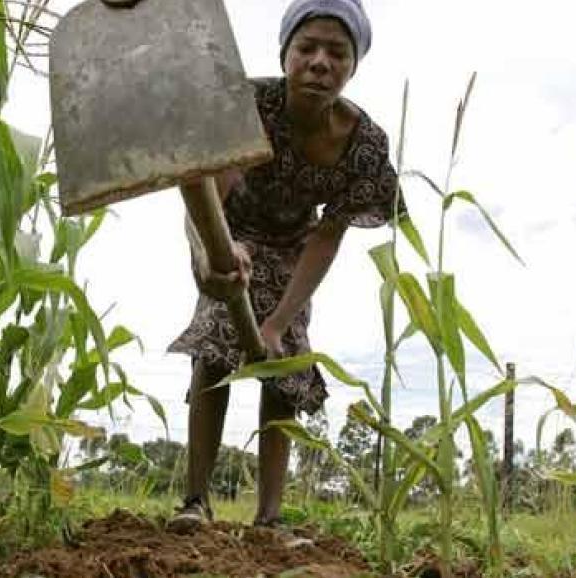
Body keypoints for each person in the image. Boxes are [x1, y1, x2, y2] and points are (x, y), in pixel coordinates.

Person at [164, 0, 406, 535]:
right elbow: (203, 189)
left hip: (295, 253)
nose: (320, 62)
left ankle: (268, 517)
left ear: (353, 65)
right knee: (214, 345)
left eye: (336, 53)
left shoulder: (363, 144)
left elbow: (326, 237)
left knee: (284, 367)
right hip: (231, 235)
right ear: (286, 54)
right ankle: (195, 501)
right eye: (307, 48)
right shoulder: (246, 104)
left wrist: (277, 323)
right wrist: (213, 256)